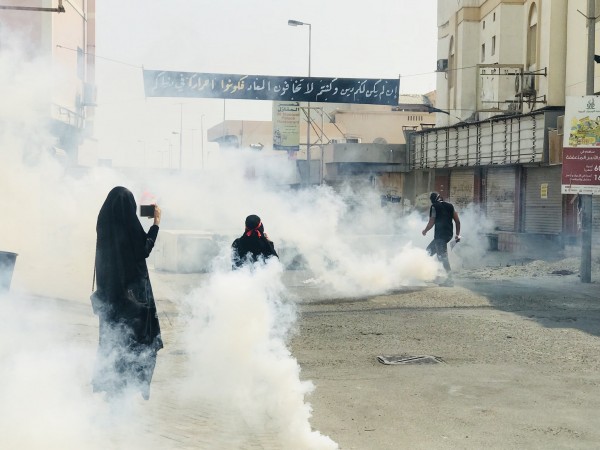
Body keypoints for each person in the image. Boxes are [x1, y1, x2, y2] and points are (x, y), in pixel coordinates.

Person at [91, 186, 163, 400]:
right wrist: (156, 224)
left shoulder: (104, 225)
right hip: (132, 301)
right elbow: (143, 250)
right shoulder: (129, 228)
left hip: (109, 298)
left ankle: (112, 390)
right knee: (135, 343)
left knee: (112, 341)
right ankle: (125, 392)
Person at [422, 192, 461, 287]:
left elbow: (431, 222)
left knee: (442, 256)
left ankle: (450, 279)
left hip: (440, 235)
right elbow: (457, 221)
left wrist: (425, 230)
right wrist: (457, 234)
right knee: (429, 252)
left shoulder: (434, 206)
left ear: (432, 200)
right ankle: (436, 275)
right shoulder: (450, 206)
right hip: (448, 235)